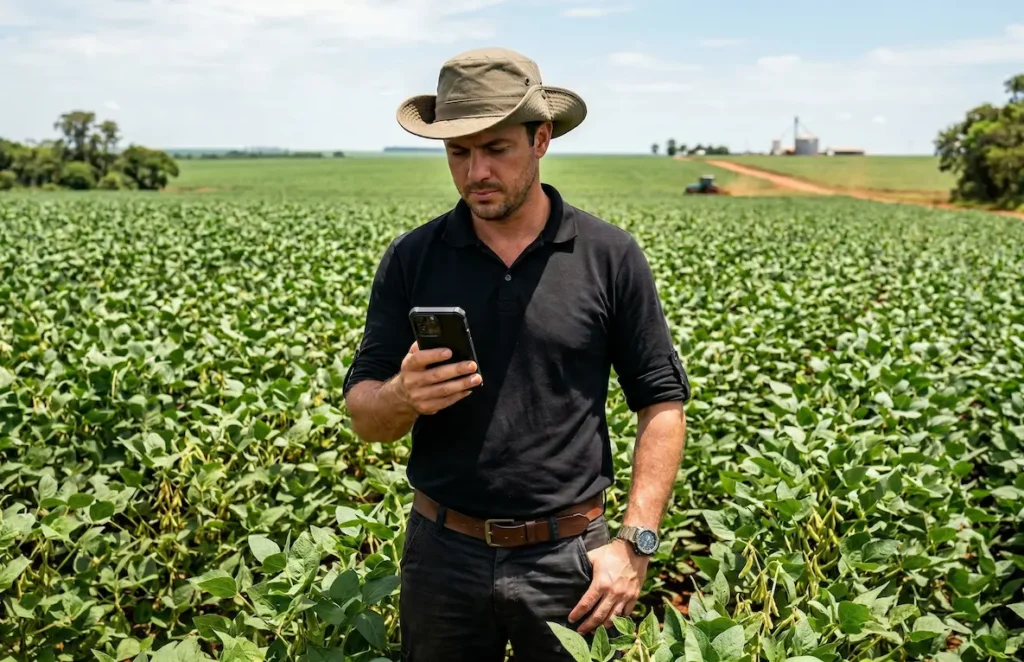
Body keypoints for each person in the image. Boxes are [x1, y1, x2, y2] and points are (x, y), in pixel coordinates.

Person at [343, 47, 690, 662]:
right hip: (442, 554)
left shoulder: (609, 255)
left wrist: (636, 543)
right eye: (458, 151)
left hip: (571, 559)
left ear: (541, 140)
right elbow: (366, 417)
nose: (476, 170)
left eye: (495, 148)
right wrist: (401, 396)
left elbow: (661, 402)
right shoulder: (413, 258)